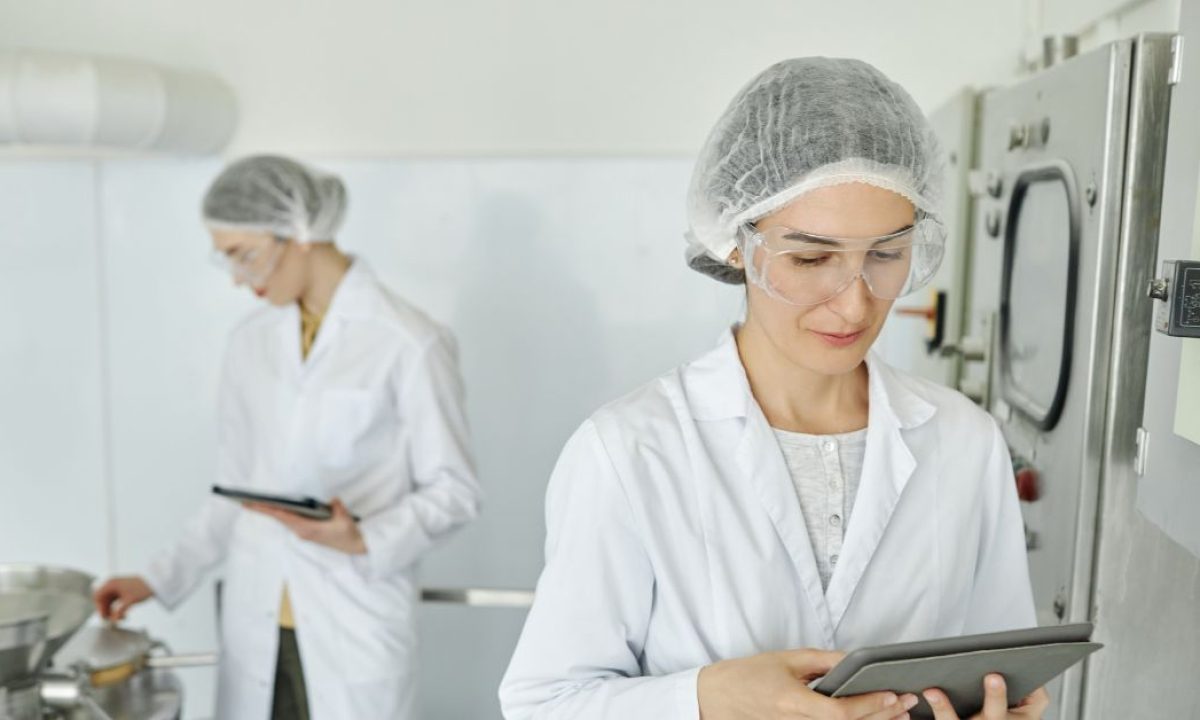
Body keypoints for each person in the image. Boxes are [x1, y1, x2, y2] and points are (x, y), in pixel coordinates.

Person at [499, 58, 1049, 720]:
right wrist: (707, 697)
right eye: (812, 258)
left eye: (885, 254)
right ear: (737, 244)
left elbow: (998, 671)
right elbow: (544, 702)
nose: (854, 304)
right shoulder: (629, 450)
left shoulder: (963, 440)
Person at [94, 155, 482, 719]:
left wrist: (363, 538)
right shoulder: (249, 342)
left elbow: (455, 491)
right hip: (257, 617)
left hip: (352, 616)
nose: (237, 277)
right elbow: (232, 492)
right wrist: (158, 577)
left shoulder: (408, 341)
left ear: (299, 233)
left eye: (244, 255)